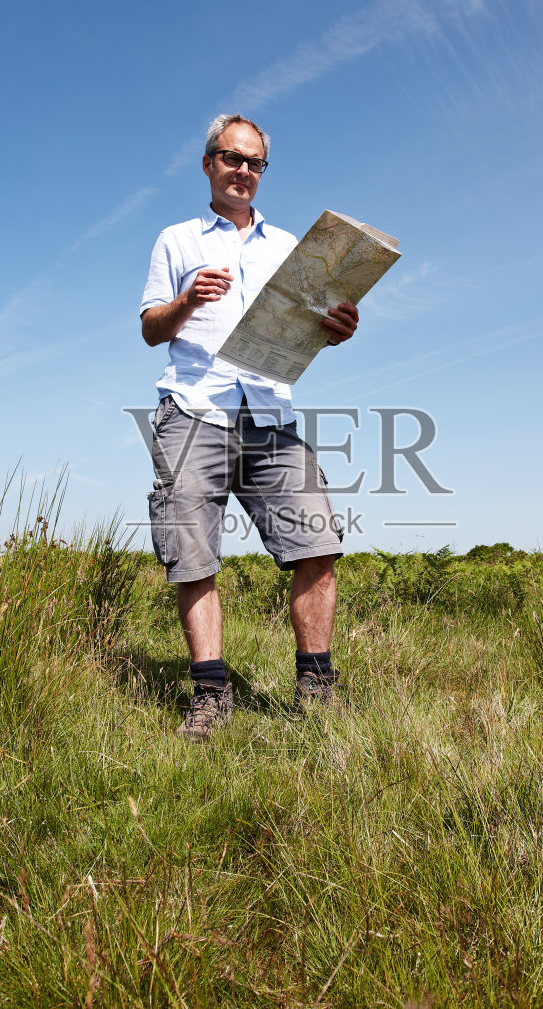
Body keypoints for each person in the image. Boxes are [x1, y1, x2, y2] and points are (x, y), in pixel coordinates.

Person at [139, 113, 359, 741]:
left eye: (254, 162)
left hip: (270, 412)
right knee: (192, 555)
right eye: (231, 158)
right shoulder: (176, 240)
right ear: (209, 164)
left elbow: (310, 328)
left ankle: (317, 688)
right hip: (193, 410)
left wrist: (336, 329)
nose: (243, 171)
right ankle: (211, 693)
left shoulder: (291, 247)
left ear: (263, 171)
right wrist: (187, 302)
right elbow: (151, 329)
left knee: (316, 542)